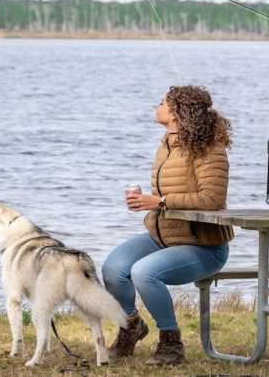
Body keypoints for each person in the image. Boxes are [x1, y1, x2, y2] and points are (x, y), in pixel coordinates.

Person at [102, 85, 234, 365]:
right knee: (113, 268)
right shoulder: (167, 144)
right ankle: (131, 327)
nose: (157, 105)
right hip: (163, 236)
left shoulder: (209, 148)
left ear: (177, 113)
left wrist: (160, 201)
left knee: (144, 272)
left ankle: (171, 344)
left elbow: (212, 199)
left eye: (162, 102)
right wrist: (146, 202)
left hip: (204, 245)